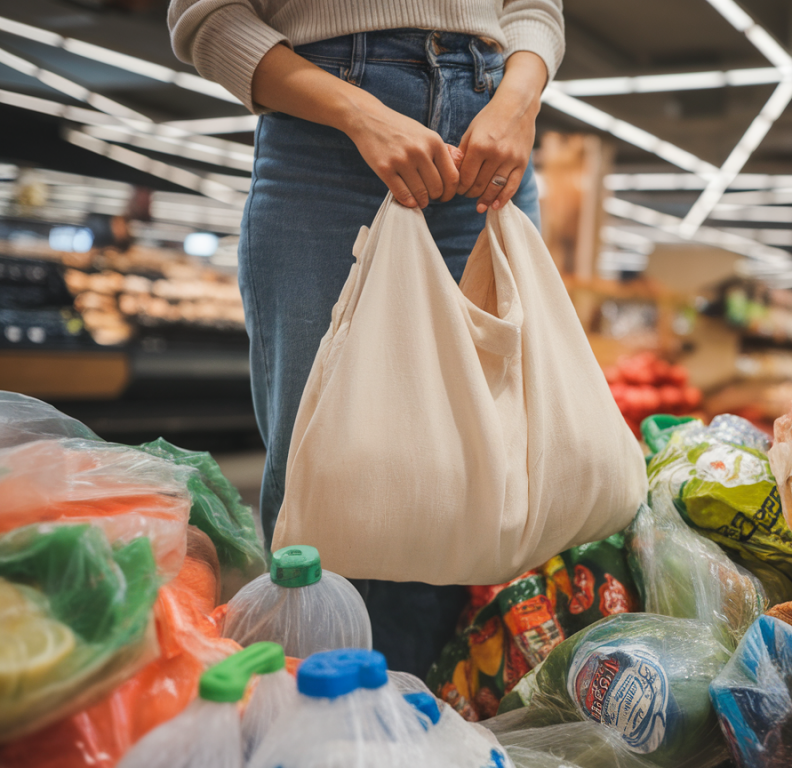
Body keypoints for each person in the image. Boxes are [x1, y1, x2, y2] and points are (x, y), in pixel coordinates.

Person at [168, 0, 563, 677]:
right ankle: (313, 719)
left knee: (473, 474)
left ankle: (426, 711)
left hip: (489, 136)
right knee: (321, 477)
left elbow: (532, 7)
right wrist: (360, 111)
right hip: (325, 140)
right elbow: (207, 17)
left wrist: (518, 100)